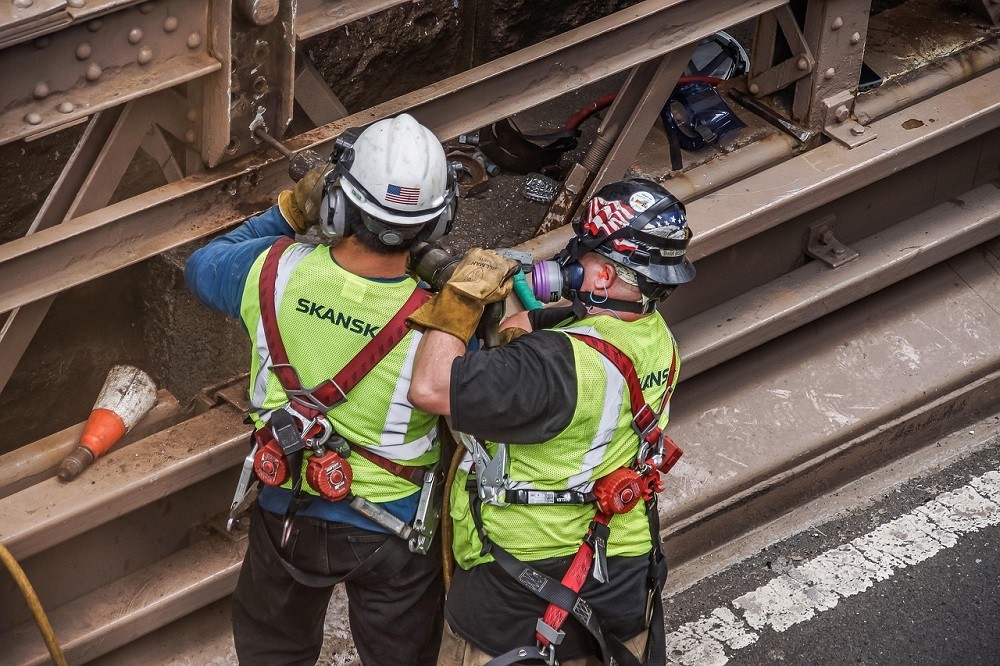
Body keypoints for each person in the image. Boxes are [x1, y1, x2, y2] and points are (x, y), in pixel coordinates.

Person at [184, 113, 458, 665]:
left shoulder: (271, 270)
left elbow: (201, 266)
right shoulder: (443, 322)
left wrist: (287, 211)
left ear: (336, 206)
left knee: (272, 649)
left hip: (285, 504)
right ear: (437, 222)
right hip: (393, 529)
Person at [406, 179, 695, 666]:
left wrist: (460, 298)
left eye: (579, 250)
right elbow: (557, 340)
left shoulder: (553, 365)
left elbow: (431, 387)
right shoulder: (654, 336)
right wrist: (527, 321)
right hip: (621, 573)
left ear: (602, 277)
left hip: (517, 593)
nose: (568, 260)